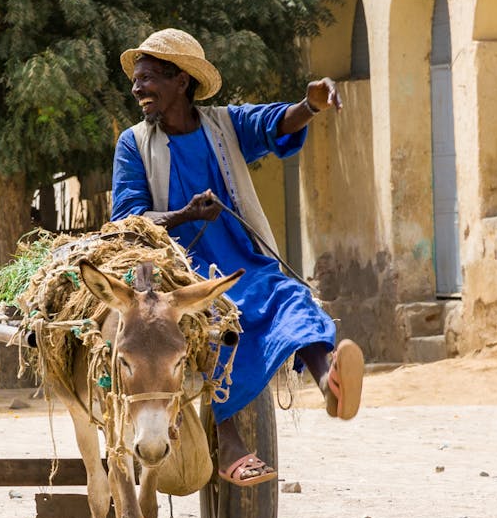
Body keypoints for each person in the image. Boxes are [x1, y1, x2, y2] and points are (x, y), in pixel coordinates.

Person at [111, 28, 364, 486]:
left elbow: (274, 124)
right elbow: (127, 218)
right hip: (176, 274)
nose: (137, 89)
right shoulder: (133, 143)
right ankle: (227, 442)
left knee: (290, 296)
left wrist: (309, 107)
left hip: (240, 261)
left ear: (181, 81)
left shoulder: (225, 125)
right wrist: (185, 214)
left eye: (148, 78)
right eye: (136, 80)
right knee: (209, 325)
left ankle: (328, 381)